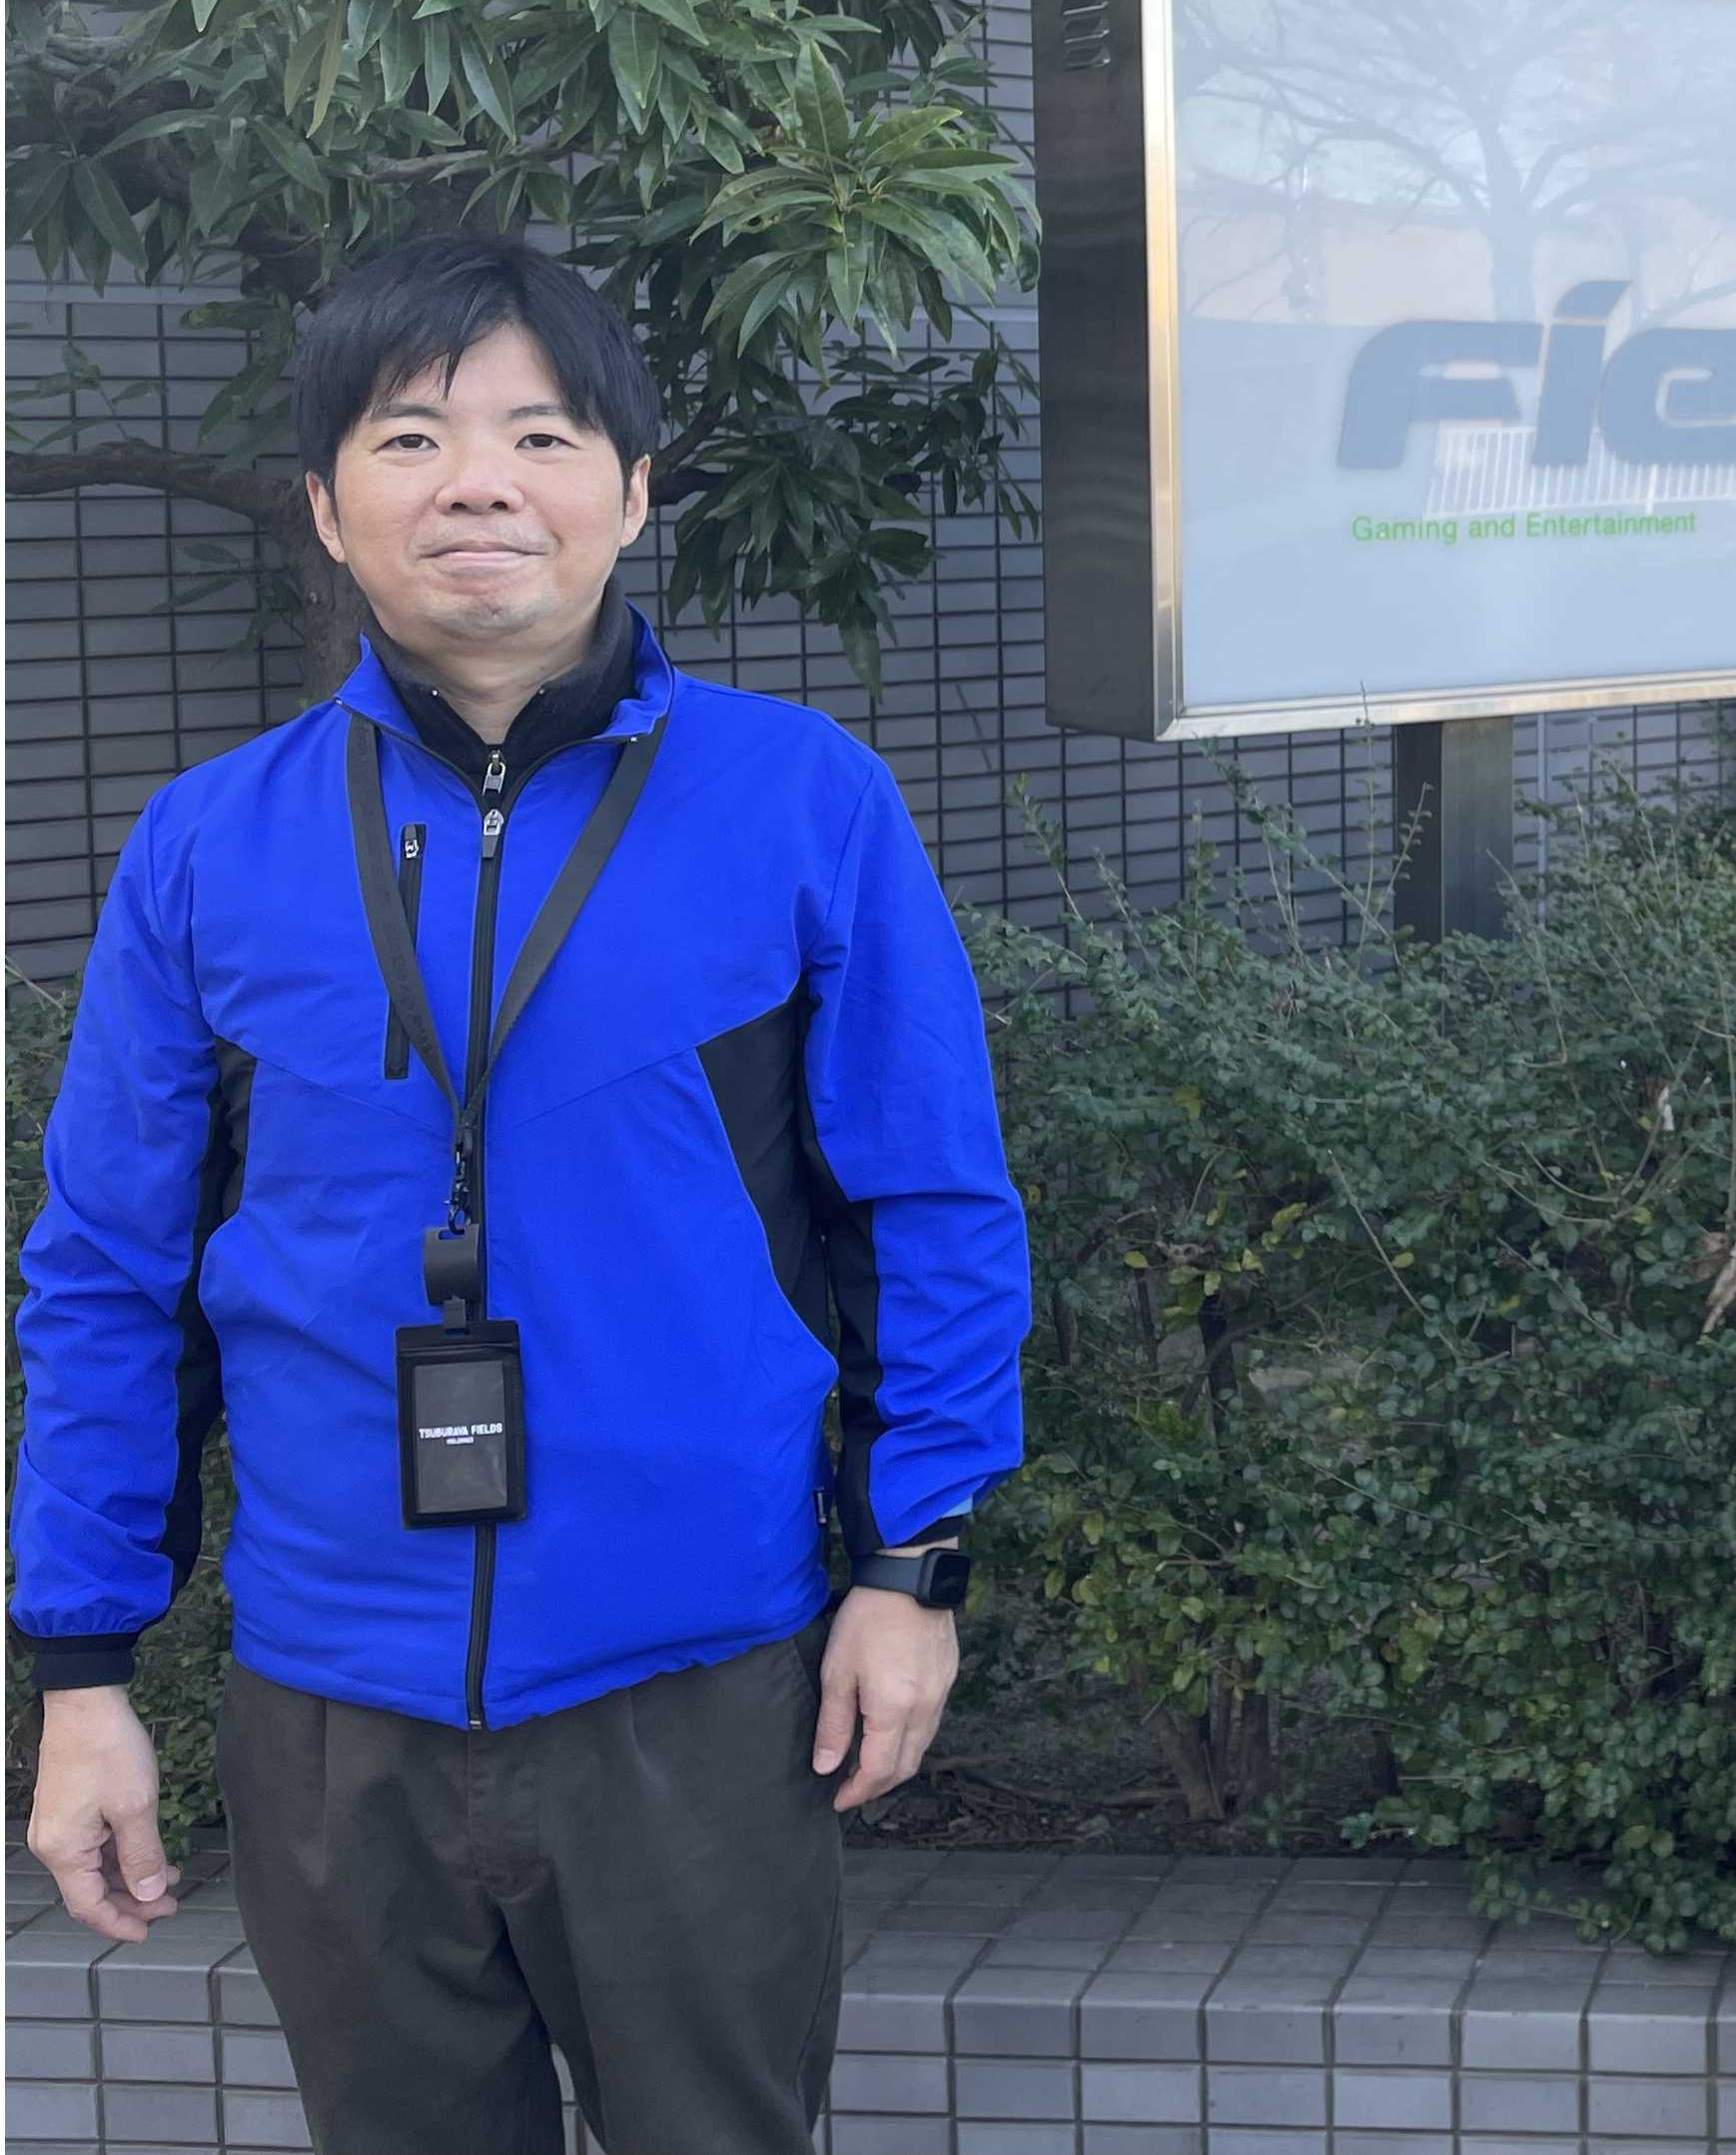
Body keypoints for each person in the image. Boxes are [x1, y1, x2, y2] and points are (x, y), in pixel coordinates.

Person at [13, 234, 1030, 2155]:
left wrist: (914, 1568)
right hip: (333, 1697)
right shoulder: (208, 845)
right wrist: (80, 1670)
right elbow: (106, 1276)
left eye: (539, 434)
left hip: (696, 1676)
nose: (476, 480)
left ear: (629, 492)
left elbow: (931, 1212)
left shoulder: (800, 802)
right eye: (410, 437)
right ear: (330, 508)